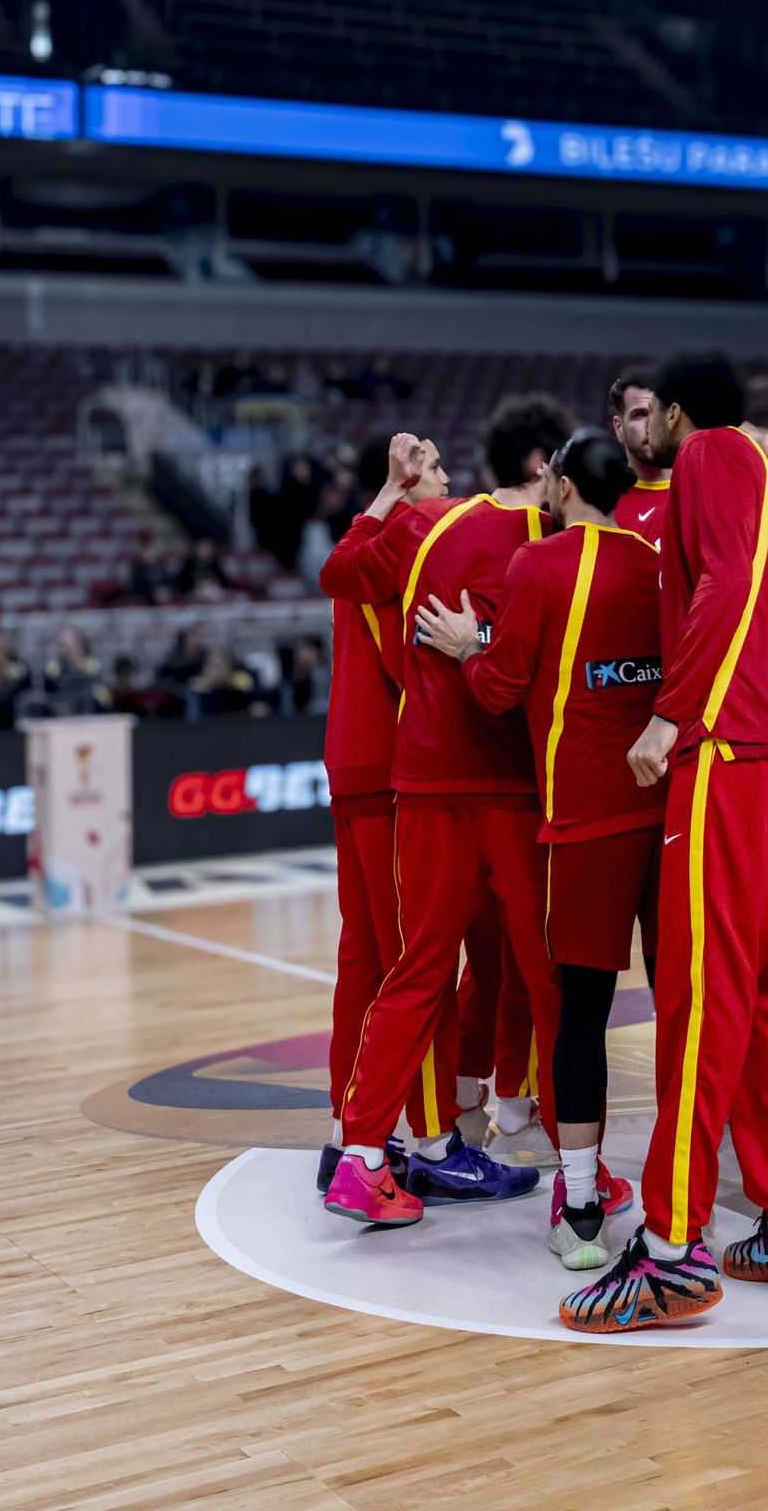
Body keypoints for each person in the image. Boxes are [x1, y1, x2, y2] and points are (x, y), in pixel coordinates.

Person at [558, 350, 768, 1336]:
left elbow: (723, 583)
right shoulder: (763, 469)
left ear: (675, 413)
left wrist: (671, 715)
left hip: (735, 750)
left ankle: (672, 1254)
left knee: (700, 992)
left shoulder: (713, 458)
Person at [318, 394, 570, 1229]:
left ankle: (354, 1148)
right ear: (545, 467)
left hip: (397, 776)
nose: (444, 482)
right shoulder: (528, 539)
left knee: (392, 967)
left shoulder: (420, 528)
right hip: (458, 774)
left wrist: (391, 496)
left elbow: (339, 573)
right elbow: (458, 665)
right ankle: (455, 1146)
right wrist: (480, 655)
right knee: (537, 974)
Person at [417, 426, 661, 1271]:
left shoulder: (539, 565)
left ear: (559, 486)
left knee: (581, 1017)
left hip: (585, 825)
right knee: (684, 1012)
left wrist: (466, 648)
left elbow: (499, 688)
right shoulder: (661, 563)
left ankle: (583, 1205)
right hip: (667, 820)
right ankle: (678, 1198)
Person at [313, 430, 449, 1198]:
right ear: (403, 476)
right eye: (437, 470)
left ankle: (347, 1131)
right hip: (395, 768)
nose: (448, 482)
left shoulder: (361, 534)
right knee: (417, 963)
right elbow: (415, 665)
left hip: (350, 764)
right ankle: (425, 1140)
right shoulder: (407, 536)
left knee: (363, 956)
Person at [608, 366, 671, 543]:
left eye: (659, 412)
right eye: (640, 415)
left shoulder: (700, 491)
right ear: (618, 427)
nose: (652, 424)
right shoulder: (604, 506)